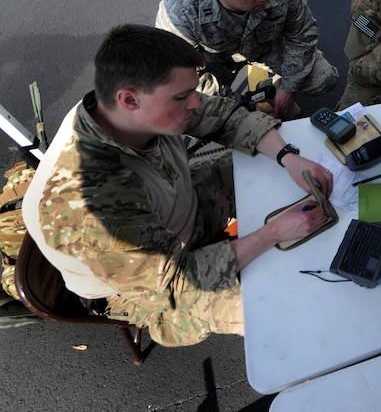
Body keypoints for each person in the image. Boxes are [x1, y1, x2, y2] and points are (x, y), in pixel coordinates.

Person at [35, 24, 334, 347]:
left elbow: (226, 117)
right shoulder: (93, 204)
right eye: (182, 96)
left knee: (264, 167)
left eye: (193, 91)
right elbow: (176, 285)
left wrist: (288, 158)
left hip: (179, 208)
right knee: (290, 310)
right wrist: (271, 234)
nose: (195, 102)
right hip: (152, 288)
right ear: (129, 99)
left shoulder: (131, 109)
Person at [156, 0, 338, 120]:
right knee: (191, 107)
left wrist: (288, 88)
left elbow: (302, 35)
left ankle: (270, 91)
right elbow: (182, 77)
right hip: (216, 60)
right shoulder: (179, 13)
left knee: (323, 78)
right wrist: (241, 109)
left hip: (264, 47)